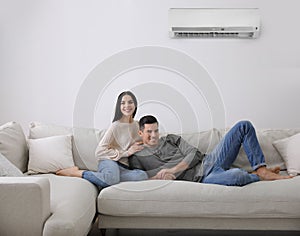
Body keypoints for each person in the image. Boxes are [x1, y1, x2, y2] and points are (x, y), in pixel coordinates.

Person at [129, 115, 292, 186]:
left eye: (156, 130)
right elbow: (138, 178)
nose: (154, 135)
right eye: (149, 132)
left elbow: (195, 154)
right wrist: (157, 178)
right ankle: (256, 176)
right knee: (237, 176)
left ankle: (261, 170)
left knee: (244, 125)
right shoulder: (137, 156)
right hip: (203, 178)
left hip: (210, 160)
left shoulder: (171, 138)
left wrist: (173, 169)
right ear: (141, 133)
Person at [56, 91, 148, 187]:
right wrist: (127, 153)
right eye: (123, 103)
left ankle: (104, 178)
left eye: (130, 102)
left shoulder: (138, 125)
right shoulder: (115, 126)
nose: (127, 105)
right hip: (109, 162)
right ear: (119, 106)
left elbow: (144, 142)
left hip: (123, 167)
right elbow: (99, 152)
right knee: (111, 179)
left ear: (135, 104)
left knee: (141, 175)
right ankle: (76, 173)